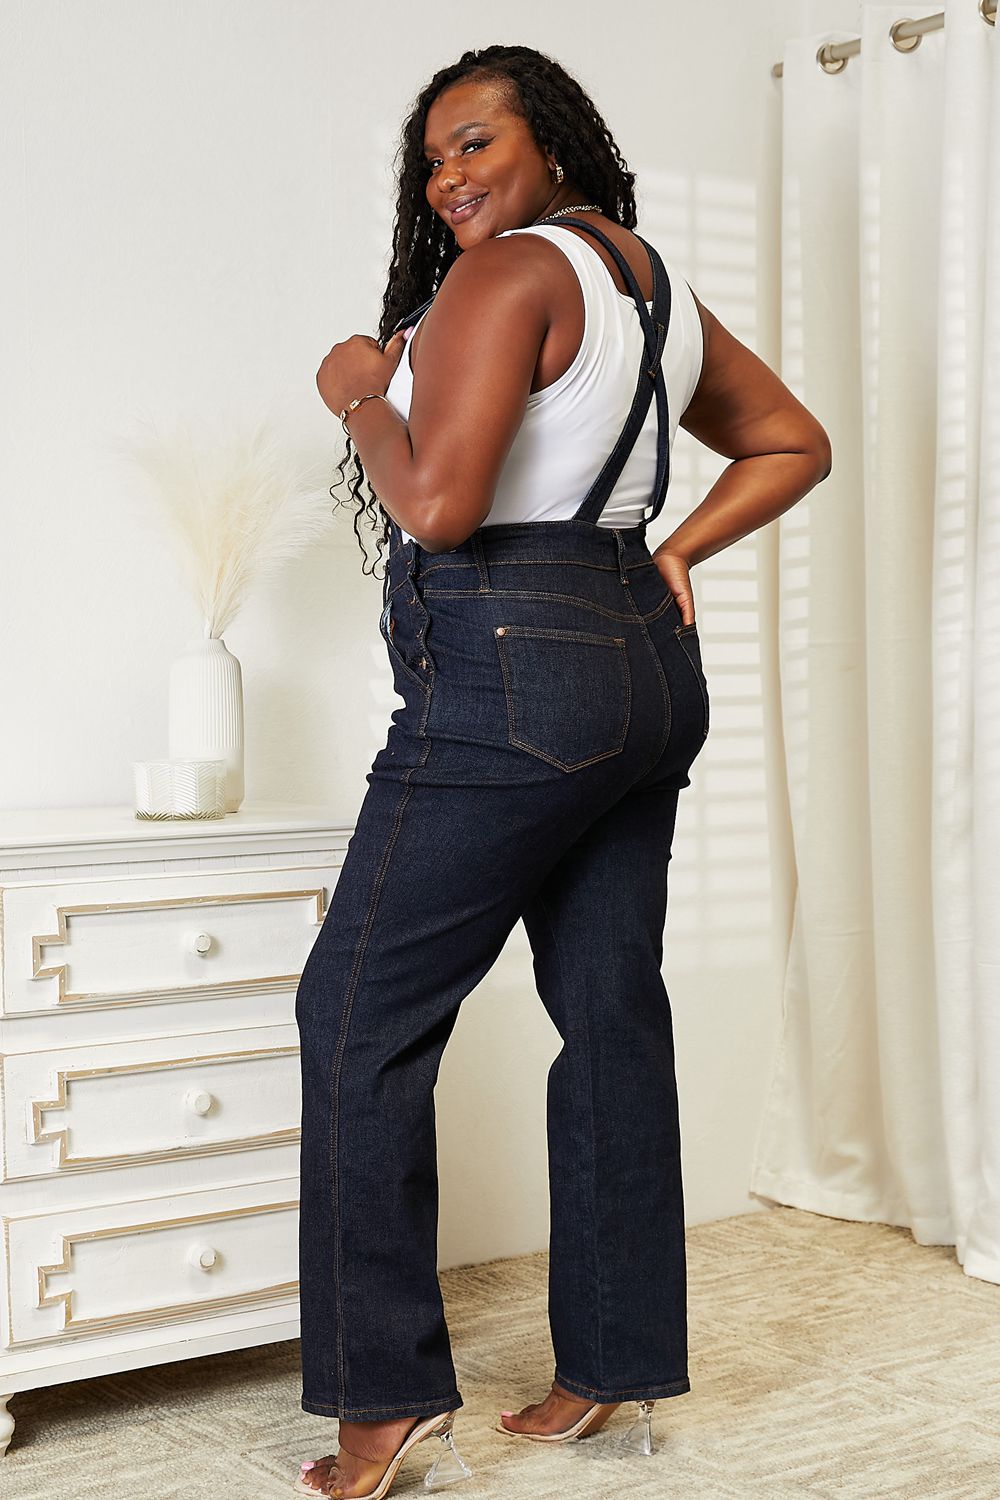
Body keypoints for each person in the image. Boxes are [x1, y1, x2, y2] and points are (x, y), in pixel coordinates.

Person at [295, 42, 831, 1500]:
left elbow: (440, 505)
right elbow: (792, 442)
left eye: (475, 142)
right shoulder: (648, 283)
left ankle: (382, 1404)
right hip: (642, 668)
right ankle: (610, 1368)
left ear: (554, 142)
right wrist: (668, 548)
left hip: (510, 669)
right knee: (607, 1008)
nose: (448, 177)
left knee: (352, 1011)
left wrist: (356, 390)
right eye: (431, 159)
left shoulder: (509, 276)